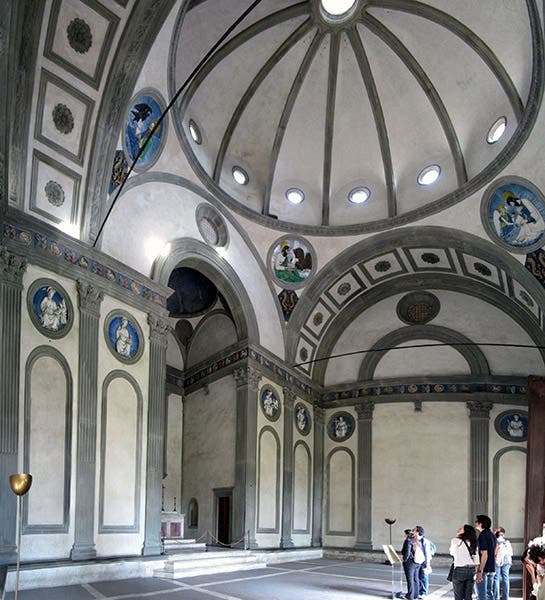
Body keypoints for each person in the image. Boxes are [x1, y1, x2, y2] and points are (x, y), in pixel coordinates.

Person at [449, 524, 480, 600]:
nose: (459, 529)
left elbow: (452, 553)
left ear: (465, 531)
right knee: (468, 596)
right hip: (471, 570)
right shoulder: (473, 543)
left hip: (460, 569)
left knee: (458, 596)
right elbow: (476, 561)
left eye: (461, 528)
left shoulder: (455, 541)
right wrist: (477, 573)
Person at [476, 514, 497, 600]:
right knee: (489, 593)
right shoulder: (492, 535)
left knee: (482, 595)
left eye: (477, 522)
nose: (476, 523)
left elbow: (484, 553)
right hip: (492, 567)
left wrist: (480, 570)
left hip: (484, 568)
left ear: (481, 524)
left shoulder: (482, 535)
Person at [402, 527, 427, 599]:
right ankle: (415, 595)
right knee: (415, 579)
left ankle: (410, 596)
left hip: (410, 563)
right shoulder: (416, 540)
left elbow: (407, 552)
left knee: (410, 579)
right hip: (417, 562)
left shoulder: (408, 541)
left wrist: (405, 560)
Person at [493, 527, 512, 600]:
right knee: (506, 578)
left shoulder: (495, 542)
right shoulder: (507, 542)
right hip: (506, 560)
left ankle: (496, 597)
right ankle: (505, 597)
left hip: (497, 560)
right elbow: (510, 553)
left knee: (496, 578)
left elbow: (494, 553)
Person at [417, 525, 435, 598]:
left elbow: (427, 553)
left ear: (418, 532)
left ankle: (424, 593)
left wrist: (428, 564)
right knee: (418, 577)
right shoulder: (415, 540)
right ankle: (419, 591)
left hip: (423, 562)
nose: (412, 531)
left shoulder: (425, 541)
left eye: (414, 530)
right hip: (417, 561)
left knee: (424, 577)